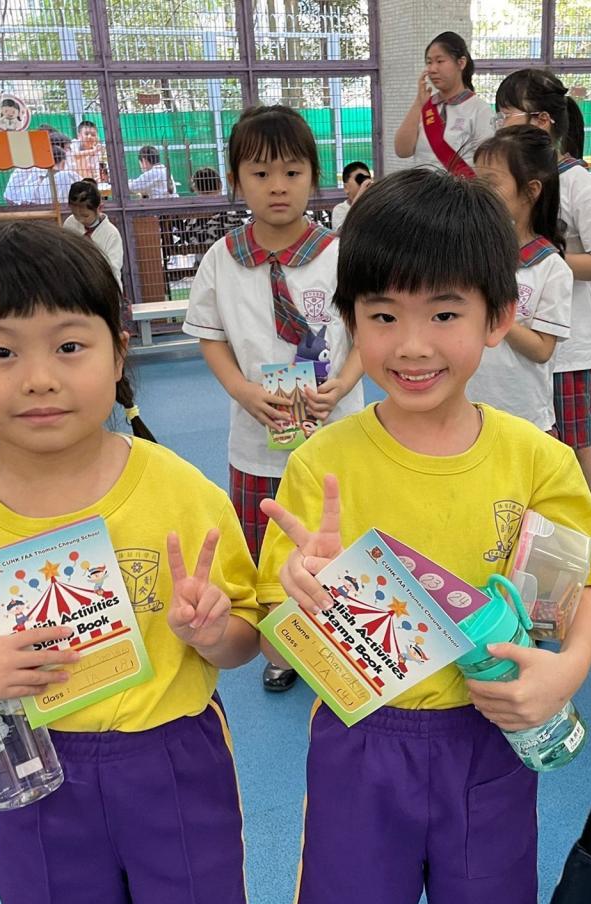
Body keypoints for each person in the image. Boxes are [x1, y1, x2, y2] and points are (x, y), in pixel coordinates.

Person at [0, 221, 260, 904]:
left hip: (174, 761)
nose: (39, 378)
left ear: (118, 352)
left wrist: (215, 633)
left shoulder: (179, 490)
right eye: (0, 352)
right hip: (29, 772)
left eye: (69, 346)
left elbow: (244, 638)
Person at [258, 167, 591, 904]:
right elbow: (279, 625)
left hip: (488, 738)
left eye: (445, 313)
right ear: (351, 320)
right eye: (383, 315)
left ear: (499, 318)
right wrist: (304, 592)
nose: (412, 345)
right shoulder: (320, 465)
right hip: (360, 741)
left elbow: (579, 589)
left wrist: (569, 669)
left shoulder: (536, 461)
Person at [184, 105, 364, 693]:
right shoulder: (222, 259)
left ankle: (345, 636)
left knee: (339, 535)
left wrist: (344, 382)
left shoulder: (341, 254)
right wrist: (242, 391)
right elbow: (211, 337)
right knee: (267, 547)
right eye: (260, 173)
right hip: (256, 437)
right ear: (236, 180)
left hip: (336, 431)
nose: (278, 186)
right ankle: (283, 645)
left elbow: (369, 330)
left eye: (292, 171)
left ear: (314, 175)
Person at [492, 68, 591, 588]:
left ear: (542, 120)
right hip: (508, 347)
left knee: (574, 444)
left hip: (564, 346)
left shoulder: (578, 185)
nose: (500, 123)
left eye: (506, 114)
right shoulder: (504, 185)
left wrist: (538, 258)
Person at [468, 125, 572, 433]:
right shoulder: (470, 252)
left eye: (491, 183)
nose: (479, 192)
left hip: (524, 419)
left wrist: (493, 310)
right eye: (476, 181)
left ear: (531, 190)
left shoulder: (550, 267)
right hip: (468, 412)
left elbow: (542, 350)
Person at [394, 31, 494, 177]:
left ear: (461, 63)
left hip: (461, 190)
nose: (432, 69)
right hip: (423, 188)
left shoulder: (479, 109)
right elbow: (402, 151)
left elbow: (487, 165)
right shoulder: (425, 106)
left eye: (440, 61)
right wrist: (418, 103)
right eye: (429, 62)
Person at [64, 178, 124, 290]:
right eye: (75, 214)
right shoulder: (70, 223)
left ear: (99, 208)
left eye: (85, 215)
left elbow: (113, 270)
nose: (80, 220)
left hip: (103, 288)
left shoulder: (111, 234)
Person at [2, 126, 79, 206]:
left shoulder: (40, 159)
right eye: (68, 148)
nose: (69, 151)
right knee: (63, 177)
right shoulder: (40, 162)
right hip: (18, 200)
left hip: (23, 199)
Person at [331, 161, 371, 231]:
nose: (364, 184)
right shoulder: (340, 209)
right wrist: (359, 196)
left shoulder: (373, 205)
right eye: (359, 179)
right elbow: (342, 233)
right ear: (346, 188)